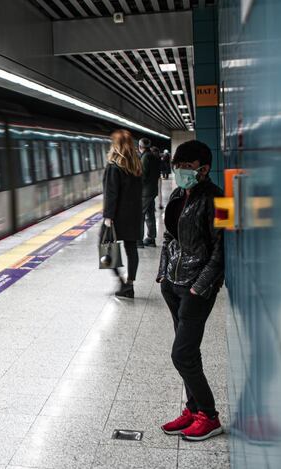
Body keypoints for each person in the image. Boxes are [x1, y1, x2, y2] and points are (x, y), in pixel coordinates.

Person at [157, 140, 225, 441]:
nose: (180, 171)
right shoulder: (176, 194)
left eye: (186, 166)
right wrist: (163, 274)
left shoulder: (221, 200)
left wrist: (200, 286)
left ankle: (209, 416)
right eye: (177, 166)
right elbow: (169, 237)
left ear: (203, 169)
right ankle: (192, 409)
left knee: (182, 354)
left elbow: (223, 250)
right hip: (173, 284)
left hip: (198, 288)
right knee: (189, 352)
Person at [102, 129, 142, 298]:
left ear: (116, 146)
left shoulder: (113, 167)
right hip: (134, 215)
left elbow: (111, 194)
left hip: (118, 215)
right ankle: (130, 284)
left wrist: (108, 217)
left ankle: (120, 281)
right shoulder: (136, 166)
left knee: (106, 247)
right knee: (131, 248)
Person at [139, 138, 161, 247]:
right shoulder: (154, 156)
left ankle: (138, 240)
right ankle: (151, 239)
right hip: (152, 190)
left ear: (140, 147)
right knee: (150, 214)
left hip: (145, 192)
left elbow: (142, 176)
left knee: (139, 215)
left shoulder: (145, 157)